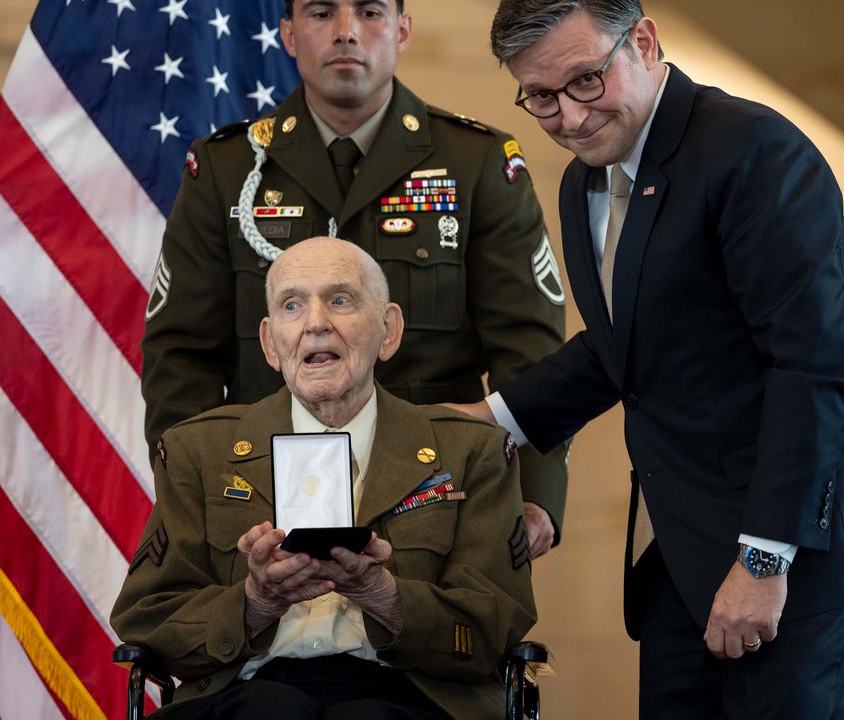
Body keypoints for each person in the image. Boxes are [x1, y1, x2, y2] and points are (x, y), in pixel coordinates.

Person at [449, 0, 844, 718]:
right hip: (678, 547)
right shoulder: (586, 177)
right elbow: (626, 345)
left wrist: (764, 559)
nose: (570, 118)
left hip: (789, 546)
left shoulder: (754, 153)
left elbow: (815, 368)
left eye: (586, 81)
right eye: (541, 97)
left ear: (643, 42)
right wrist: (495, 420)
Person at [140, 0, 570, 558]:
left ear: (402, 30)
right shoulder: (226, 168)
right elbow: (181, 358)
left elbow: (528, 349)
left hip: (435, 496)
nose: (346, 31)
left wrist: (533, 491)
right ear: (289, 35)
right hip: (260, 506)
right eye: (322, 13)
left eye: (369, 11)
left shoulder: (475, 163)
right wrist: (189, 498)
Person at [112, 237, 536, 720]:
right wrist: (253, 603)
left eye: (340, 300)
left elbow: (495, 627)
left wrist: (384, 595)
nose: (315, 323)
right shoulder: (199, 451)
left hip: (412, 694)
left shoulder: (472, 451)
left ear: (388, 330)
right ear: (270, 343)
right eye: (292, 305)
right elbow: (149, 620)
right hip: (244, 691)